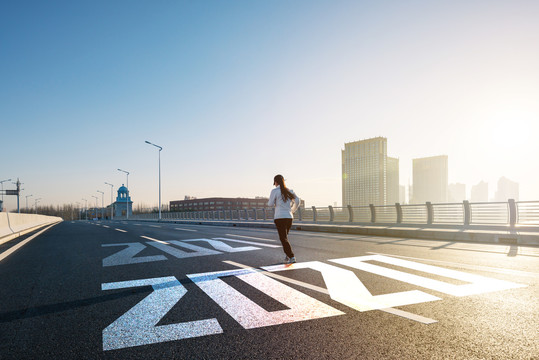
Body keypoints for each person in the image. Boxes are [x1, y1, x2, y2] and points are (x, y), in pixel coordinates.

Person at [268, 174, 300, 264]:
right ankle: (288, 254)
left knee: (283, 238)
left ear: (276, 182)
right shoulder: (290, 190)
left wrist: (274, 201)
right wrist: (292, 210)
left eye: (274, 183)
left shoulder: (274, 191)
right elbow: (298, 200)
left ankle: (292, 256)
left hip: (279, 217)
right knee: (285, 238)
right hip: (289, 217)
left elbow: (270, 204)